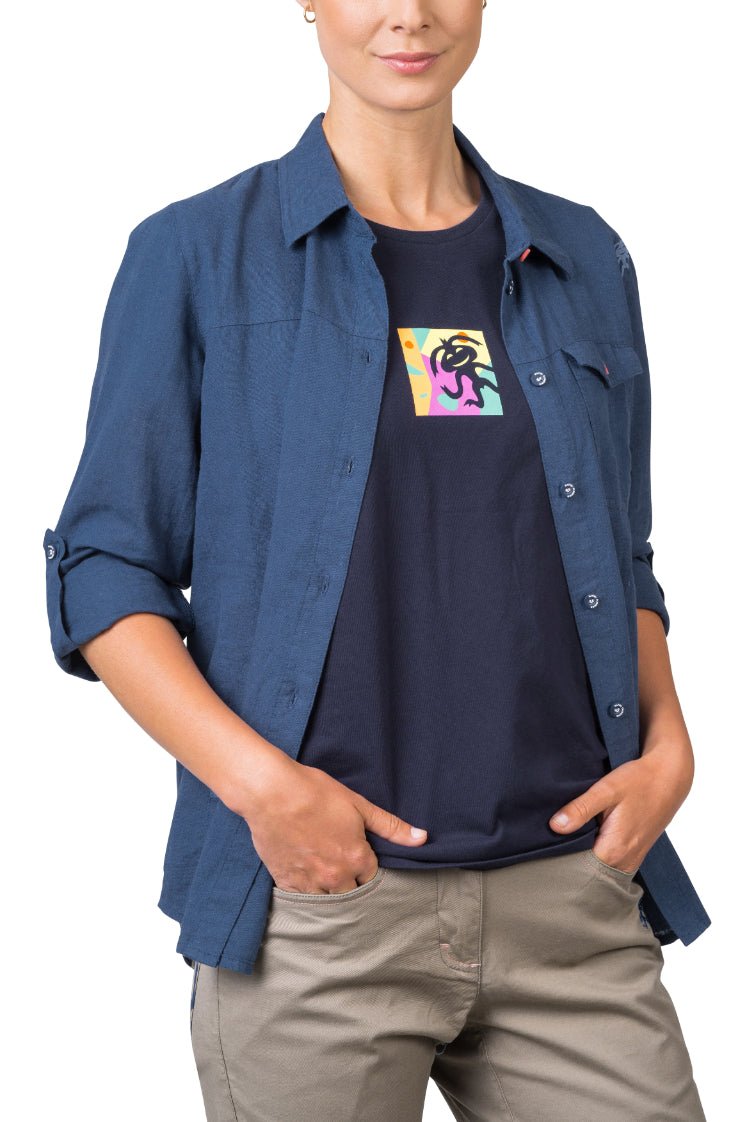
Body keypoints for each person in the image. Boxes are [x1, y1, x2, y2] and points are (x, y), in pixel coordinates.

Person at [42, 2, 711, 1119]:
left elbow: (621, 553)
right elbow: (106, 567)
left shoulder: (583, 254)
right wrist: (265, 794)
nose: (410, 13)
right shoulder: (197, 253)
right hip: (318, 909)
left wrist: (669, 742)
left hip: (573, 900)